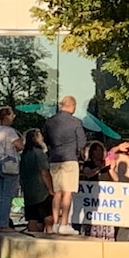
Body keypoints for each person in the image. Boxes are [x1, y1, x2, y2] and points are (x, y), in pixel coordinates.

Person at [42, 95, 86, 236]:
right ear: (72, 106)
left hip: (54, 159)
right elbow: (82, 143)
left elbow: (46, 140)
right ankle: (64, 223)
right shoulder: (76, 122)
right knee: (68, 192)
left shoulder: (49, 122)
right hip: (70, 159)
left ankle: (55, 223)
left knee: (57, 192)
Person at [0, 106, 23, 233]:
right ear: (6, 116)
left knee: (2, 195)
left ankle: (0, 222)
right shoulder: (9, 131)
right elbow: (19, 145)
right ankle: (3, 223)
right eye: (11, 115)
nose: (12, 118)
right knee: (7, 195)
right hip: (9, 163)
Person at [81, 141, 118, 240]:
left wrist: (111, 168)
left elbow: (116, 179)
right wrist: (101, 167)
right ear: (92, 152)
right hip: (92, 198)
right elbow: (88, 174)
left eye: (102, 150)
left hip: (106, 199)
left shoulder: (106, 163)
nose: (101, 152)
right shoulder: (88, 163)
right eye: (98, 150)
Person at [20, 129, 54, 233]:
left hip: (29, 192)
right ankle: (49, 239)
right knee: (48, 217)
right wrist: (51, 189)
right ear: (35, 138)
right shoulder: (39, 153)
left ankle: (32, 242)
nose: (42, 138)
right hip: (41, 191)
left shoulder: (24, 154)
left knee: (32, 219)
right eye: (40, 136)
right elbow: (44, 173)